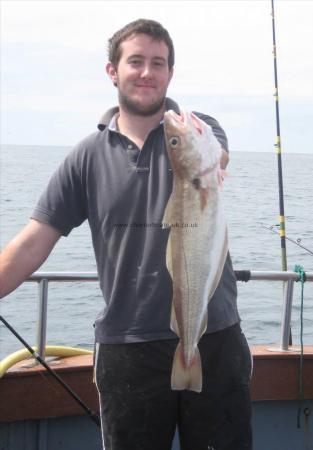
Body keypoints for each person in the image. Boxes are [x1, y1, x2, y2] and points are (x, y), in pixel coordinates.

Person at [0, 19, 252, 450]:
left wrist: (200, 154)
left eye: (159, 63)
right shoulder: (85, 157)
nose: (147, 72)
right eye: (135, 61)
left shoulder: (198, 129)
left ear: (171, 72)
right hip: (127, 348)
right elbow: (32, 242)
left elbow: (218, 158)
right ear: (112, 70)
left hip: (215, 337)